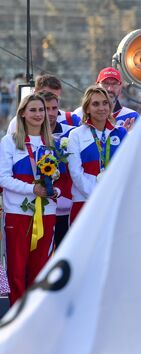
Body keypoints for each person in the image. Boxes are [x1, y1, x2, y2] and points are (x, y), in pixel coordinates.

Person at [0, 94, 60, 304]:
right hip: (18, 214)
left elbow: (57, 179)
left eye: (41, 110)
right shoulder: (10, 142)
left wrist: (55, 192)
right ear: (23, 113)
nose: (38, 114)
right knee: (17, 271)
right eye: (33, 110)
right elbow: (3, 177)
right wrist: (32, 189)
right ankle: (16, 317)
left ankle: (35, 316)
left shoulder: (53, 143)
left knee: (41, 270)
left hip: (47, 212)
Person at [67, 86, 127, 222]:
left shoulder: (121, 133)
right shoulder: (76, 135)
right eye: (95, 104)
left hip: (114, 200)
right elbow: (76, 173)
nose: (101, 108)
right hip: (84, 201)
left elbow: (126, 167)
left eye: (105, 103)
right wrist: (98, 195)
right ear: (87, 108)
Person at [39, 91, 75, 247]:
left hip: (66, 208)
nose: (51, 113)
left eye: (54, 108)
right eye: (46, 108)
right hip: (39, 207)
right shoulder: (29, 136)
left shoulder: (71, 133)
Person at [6, 75, 80, 134]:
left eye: (56, 98)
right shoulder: (18, 122)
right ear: (35, 92)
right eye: (46, 96)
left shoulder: (70, 119)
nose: (51, 100)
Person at [73, 68, 138, 128]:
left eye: (114, 84)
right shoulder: (79, 114)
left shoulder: (131, 116)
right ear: (97, 86)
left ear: (120, 87)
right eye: (105, 84)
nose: (110, 89)